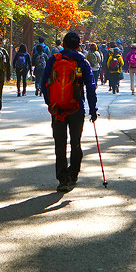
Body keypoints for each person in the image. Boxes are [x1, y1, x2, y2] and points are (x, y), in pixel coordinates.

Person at [39, 31, 98, 192]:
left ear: (63, 44)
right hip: (76, 109)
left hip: (57, 109)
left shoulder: (54, 59)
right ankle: (73, 174)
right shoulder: (83, 62)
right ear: (79, 46)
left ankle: (62, 179)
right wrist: (93, 110)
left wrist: (50, 103)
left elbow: (44, 83)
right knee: (75, 143)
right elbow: (91, 88)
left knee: (60, 144)